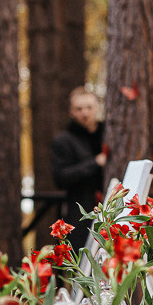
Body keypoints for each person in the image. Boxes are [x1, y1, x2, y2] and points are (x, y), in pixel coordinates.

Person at [51, 87, 108, 247]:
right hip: (80, 215)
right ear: (71, 112)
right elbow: (60, 177)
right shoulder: (63, 141)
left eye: (89, 107)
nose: (85, 113)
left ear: (97, 108)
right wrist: (94, 163)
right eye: (79, 108)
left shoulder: (109, 135)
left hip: (111, 211)